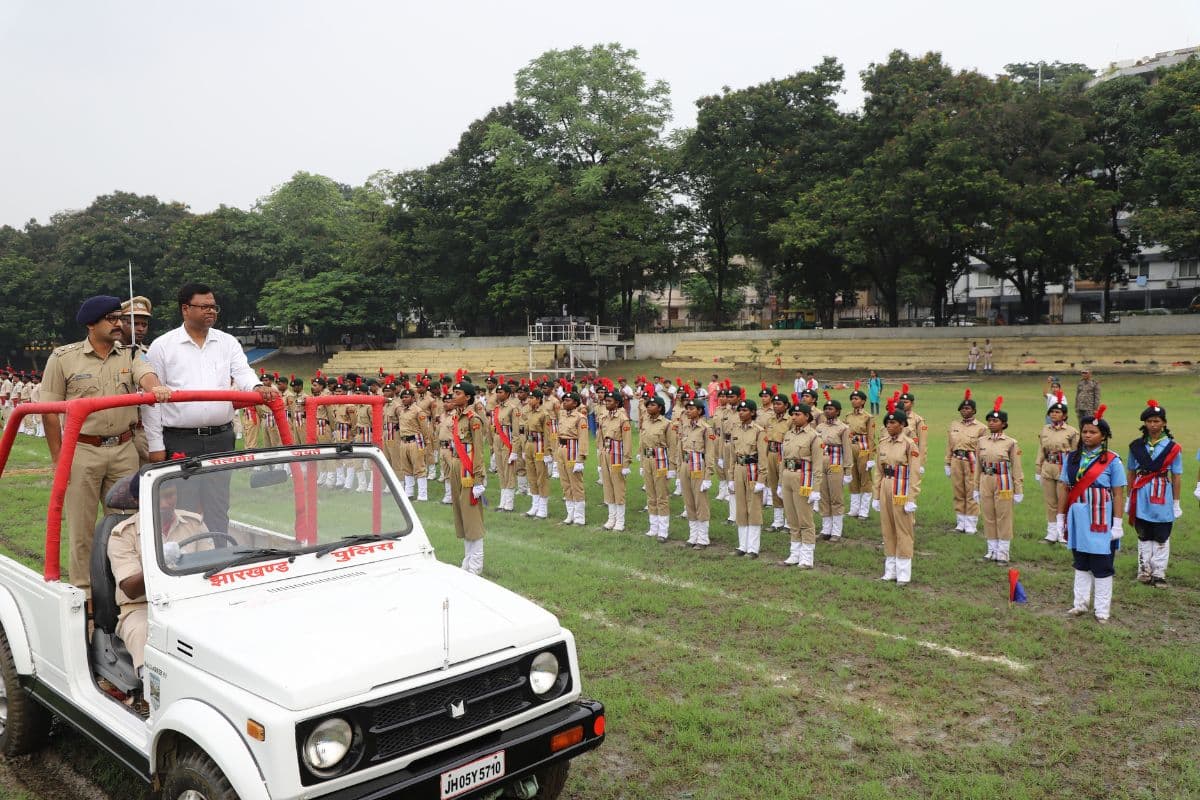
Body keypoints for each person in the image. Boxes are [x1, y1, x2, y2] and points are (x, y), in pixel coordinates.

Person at [41, 296, 172, 593]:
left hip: (124, 449)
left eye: (119, 318)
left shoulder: (130, 353)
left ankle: (125, 592)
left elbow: (145, 373)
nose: (118, 324)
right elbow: (48, 411)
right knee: (82, 530)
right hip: (82, 451)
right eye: (111, 319)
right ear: (91, 324)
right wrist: (59, 457)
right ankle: (85, 596)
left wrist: (156, 387)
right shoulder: (63, 358)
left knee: (129, 525)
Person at [143, 284, 277, 534]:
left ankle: (219, 556)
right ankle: (188, 561)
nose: (211, 312)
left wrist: (257, 386)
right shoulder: (162, 346)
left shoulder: (227, 342)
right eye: (204, 306)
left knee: (218, 504)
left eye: (213, 307)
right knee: (185, 506)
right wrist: (155, 446)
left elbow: (242, 372)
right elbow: (150, 399)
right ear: (185, 309)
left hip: (221, 436)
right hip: (181, 439)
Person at [108, 475, 207, 675]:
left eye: (170, 496)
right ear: (138, 501)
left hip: (191, 599)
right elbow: (130, 588)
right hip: (142, 608)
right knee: (145, 633)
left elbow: (211, 568)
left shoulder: (194, 523)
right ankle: (151, 689)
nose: (164, 504)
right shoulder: (122, 535)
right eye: (156, 498)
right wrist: (162, 565)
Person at [1059, 406, 1125, 623]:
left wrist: (1117, 523)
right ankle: (1080, 604)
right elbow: (1064, 487)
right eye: (1085, 432)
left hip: (1100, 518)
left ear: (1103, 436)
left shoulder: (1112, 460)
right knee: (1081, 561)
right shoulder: (1072, 458)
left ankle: (1102, 610)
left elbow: (1117, 493)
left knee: (1102, 563)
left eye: (1093, 432)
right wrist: (1061, 518)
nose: (1087, 435)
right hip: (1077, 515)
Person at [1126, 400, 1183, 587]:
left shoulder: (1172, 448)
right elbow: (1131, 473)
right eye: (1149, 421)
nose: (1153, 425)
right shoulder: (1136, 446)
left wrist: (1176, 502)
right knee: (1143, 533)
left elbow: (1176, 476)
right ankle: (1144, 570)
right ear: (1145, 423)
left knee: (1161, 534)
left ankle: (1159, 573)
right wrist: (1128, 498)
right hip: (1141, 493)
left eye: (1157, 421)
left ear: (1164, 423)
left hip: (1162, 493)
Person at [873, 399, 922, 585]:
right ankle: (890, 570)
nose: (889, 425)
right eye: (887, 422)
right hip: (886, 484)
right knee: (887, 529)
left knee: (903, 530)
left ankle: (903, 572)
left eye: (893, 422)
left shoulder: (910, 444)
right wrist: (876, 495)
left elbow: (915, 473)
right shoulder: (883, 443)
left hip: (901, 487)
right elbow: (878, 470)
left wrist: (911, 497)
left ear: (902, 425)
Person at [974, 397, 1024, 564]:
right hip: (985, 479)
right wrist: (975, 487)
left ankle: (1003, 552)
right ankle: (991, 549)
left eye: (995, 420)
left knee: (1003, 516)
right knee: (988, 515)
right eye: (989, 420)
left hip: (1003, 480)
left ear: (1004, 423)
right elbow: (978, 466)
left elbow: (1016, 467)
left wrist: (1018, 490)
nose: (991, 423)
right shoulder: (981, 441)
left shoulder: (1011, 443)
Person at [776, 401, 824, 568]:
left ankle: (806, 556)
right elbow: (783, 459)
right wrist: (781, 483)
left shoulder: (814, 437)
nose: (794, 417)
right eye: (793, 414)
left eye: (798, 415)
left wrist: (815, 488)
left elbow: (818, 465)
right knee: (791, 518)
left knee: (805, 519)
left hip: (804, 478)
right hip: (788, 476)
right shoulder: (788, 434)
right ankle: (794, 553)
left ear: (807, 417)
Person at [447, 377, 487, 574]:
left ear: (468, 397)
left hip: (468, 469)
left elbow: (478, 450)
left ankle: (476, 565)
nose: (454, 396)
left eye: (458, 393)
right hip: (456, 466)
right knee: (461, 514)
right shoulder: (457, 417)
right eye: (454, 393)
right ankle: (467, 560)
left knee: (472, 516)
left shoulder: (473, 419)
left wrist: (479, 479)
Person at [1035, 392, 1078, 544]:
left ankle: (1063, 532)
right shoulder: (1045, 429)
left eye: (1057, 412)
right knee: (1050, 502)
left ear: (1064, 415)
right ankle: (1051, 533)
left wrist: (1073, 473)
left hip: (1063, 469)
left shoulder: (1072, 432)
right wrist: (1038, 468)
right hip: (1048, 467)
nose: (1054, 414)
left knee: (1063, 502)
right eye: (1052, 412)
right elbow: (1041, 449)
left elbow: (1075, 454)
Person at [117, 296, 154, 464]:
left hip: (144, 429)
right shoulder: (110, 353)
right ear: (120, 323)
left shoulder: (149, 353)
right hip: (118, 431)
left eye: (144, 324)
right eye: (133, 323)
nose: (140, 329)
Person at [676, 398, 717, 549]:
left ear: (699, 411)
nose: (688, 411)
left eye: (691, 408)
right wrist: (679, 470)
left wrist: (708, 476)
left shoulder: (706, 429)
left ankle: (703, 538)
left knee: (700, 502)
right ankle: (693, 535)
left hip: (699, 466)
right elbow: (680, 450)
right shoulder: (685, 427)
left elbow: (710, 453)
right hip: (686, 466)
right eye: (687, 408)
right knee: (689, 501)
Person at [731, 399, 768, 558]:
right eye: (739, 410)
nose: (741, 413)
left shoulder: (759, 431)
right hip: (739, 468)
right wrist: (731, 477)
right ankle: (742, 545)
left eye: (744, 411)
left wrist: (761, 479)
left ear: (752, 413)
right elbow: (733, 455)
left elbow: (763, 457)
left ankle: (753, 548)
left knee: (753, 508)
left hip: (752, 469)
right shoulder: (735, 429)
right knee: (741, 507)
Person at [945, 389, 986, 534]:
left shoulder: (981, 428)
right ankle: (960, 522)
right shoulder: (954, 425)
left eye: (967, 408)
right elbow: (950, 444)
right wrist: (947, 462)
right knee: (958, 491)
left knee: (971, 491)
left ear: (974, 410)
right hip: (957, 459)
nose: (964, 410)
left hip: (972, 461)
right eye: (962, 408)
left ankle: (971, 523)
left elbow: (984, 449)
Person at [638, 393, 677, 541]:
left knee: (661, 495)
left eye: (652, 405)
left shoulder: (667, 424)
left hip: (660, 459)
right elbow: (642, 443)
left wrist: (672, 468)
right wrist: (641, 462)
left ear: (660, 408)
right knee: (650, 494)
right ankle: (653, 527)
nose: (648, 407)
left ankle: (663, 530)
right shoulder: (645, 422)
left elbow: (672, 447)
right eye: (647, 405)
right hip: (647, 459)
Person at [816, 393, 852, 541]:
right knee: (823, 497)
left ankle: (836, 531)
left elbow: (847, 449)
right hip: (821, 462)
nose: (828, 411)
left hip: (835, 463)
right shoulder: (819, 427)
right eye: (826, 408)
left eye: (831, 409)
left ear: (838, 411)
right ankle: (826, 529)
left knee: (836, 497)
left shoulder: (843, 428)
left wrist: (848, 470)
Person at [598, 390, 633, 531]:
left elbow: (628, 442)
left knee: (618, 487)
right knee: (607, 486)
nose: (607, 403)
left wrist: (626, 462)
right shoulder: (604, 418)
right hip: (606, 453)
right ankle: (611, 518)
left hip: (617, 454)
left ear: (617, 403)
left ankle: (620, 521)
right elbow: (600, 437)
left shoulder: (622, 419)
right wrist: (600, 455)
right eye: (606, 401)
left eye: (610, 401)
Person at [555, 390, 589, 525]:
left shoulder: (580, 417)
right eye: (564, 400)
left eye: (568, 401)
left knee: (576, 484)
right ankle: (570, 514)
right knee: (565, 483)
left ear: (575, 403)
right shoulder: (562, 415)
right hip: (562, 449)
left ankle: (580, 517)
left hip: (573, 450)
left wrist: (581, 459)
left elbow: (583, 439)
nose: (564, 402)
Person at [846, 383, 875, 520]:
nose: (854, 401)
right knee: (853, 478)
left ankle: (864, 510)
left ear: (863, 401)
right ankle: (854, 508)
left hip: (863, 449)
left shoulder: (868, 417)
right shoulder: (848, 416)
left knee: (865, 479)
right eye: (852, 398)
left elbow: (871, 437)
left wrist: (871, 456)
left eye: (857, 398)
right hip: (850, 448)